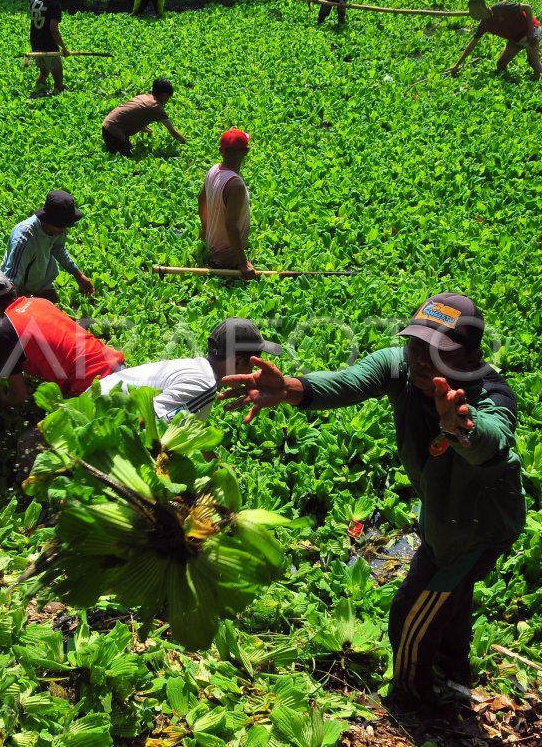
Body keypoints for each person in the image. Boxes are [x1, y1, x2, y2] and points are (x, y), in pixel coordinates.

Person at [219, 293, 525, 709]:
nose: (419, 359)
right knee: (452, 599)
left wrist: (461, 427)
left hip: (474, 529)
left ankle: (412, 697)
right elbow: (348, 382)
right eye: (416, 344)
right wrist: (291, 388)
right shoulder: (400, 366)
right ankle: (454, 670)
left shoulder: (487, 393)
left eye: (437, 352)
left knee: (410, 613)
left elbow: (493, 438)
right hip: (440, 513)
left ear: (469, 358)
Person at [0, 269, 124, 407]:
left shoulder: (3, 333)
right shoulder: (41, 302)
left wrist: (1, 399)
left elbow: (20, 396)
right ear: (13, 289)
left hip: (94, 390)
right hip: (119, 367)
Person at [99, 318, 281, 422]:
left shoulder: (199, 368)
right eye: (252, 364)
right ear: (238, 361)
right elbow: (151, 424)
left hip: (98, 404)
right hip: (96, 418)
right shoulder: (205, 385)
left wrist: (214, 465)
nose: (254, 372)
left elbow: (190, 428)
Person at [0, 190, 95, 302]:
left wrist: (78, 275)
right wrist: (12, 303)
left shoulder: (56, 230)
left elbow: (59, 250)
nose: (65, 229)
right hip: (19, 287)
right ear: (50, 221)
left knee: (55, 313)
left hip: (42, 283)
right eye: (63, 226)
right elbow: (12, 276)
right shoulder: (24, 237)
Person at [199, 128, 256, 280]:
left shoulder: (213, 170)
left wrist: (205, 228)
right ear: (246, 152)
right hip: (228, 256)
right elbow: (231, 225)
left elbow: (201, 199)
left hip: (212, 245)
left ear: (220, 151)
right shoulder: (235, 185)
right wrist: (243, 262)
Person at [447, 0, 542, 79]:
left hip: (530, 32)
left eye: (472, 11)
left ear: (479, 9)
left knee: (533, 62)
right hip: (515, 39)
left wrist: (531, 32)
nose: (471, 15)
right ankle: (510, 82)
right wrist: (457, 64)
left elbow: (527, 8)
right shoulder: (484, 25)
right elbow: (472, 44)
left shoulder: (500, 8)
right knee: (501, 65)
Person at [101, 78, 187, 158]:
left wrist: (142, 127)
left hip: (107, 125)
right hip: (113, 133)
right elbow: (173, 132)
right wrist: (186, 142)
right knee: (128, 159)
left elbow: (132, 114)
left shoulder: (144, 97)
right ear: (164, 95)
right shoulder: (156, 107)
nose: (167, 100)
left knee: (130, 148)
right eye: (168, 97)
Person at [30, 0, 70, 95]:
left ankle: (38, 94)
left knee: (43, 73)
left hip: (36, 45)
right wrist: (64, 48)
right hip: (49, 47)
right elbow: (53, 29)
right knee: (58, 79)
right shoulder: (55, 5)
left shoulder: (33, 1)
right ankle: (57, 98)